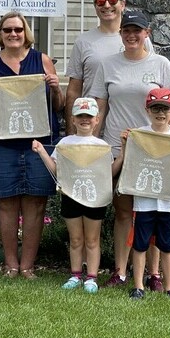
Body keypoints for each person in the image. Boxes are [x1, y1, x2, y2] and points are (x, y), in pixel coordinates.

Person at [91, 10, 170, 288]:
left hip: (155, 149)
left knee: (153, 213)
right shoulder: (108, 65)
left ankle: (154, 274)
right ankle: (120, 271)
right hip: (119, 147)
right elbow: (100, 107)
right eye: (127, 30)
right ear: (121, 34)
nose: (132, 35)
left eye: (137, 30)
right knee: (123, 212)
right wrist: (93, 145)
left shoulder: (161, 64)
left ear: (147, 34)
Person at [0, 12, 64, 279]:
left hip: (39, 143)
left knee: (37, 204)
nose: (13, 34)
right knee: (6, 204)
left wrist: (56, 88)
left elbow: (57, 107)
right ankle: (10, 265)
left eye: (18, 30)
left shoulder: (43, 61)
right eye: (7, 30)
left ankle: (28, 266)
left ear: (26, 33)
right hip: (2, 143)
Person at [33, 97, 121, 291]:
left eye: (89, 116)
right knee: (75, 239)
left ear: (96, 119)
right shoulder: (65, 143)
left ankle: (91, 277)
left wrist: (124, 152)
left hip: (94, 199)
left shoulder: (101, 145)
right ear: (72, 119)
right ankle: (75, 275)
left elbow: (109, 172)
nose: (85, 120)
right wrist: (41, 151)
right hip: (71, 196)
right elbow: (57, 171)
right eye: (80, 116)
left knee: (92, 239)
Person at [116, 89, 170, 301]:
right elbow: (131, 164)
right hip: (143, 202)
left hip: (167, 202)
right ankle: (139, 286)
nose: (160, 113)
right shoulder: (140, 134)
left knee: (167, 246)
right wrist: (126, 144)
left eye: (165, 109)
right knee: (140, 244)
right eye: (156, 108)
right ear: (147, 111)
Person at [65, 0, 152, 134]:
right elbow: (74, 90)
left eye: (112, 0)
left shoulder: (139, 39)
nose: (106, 5)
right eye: (100, 1)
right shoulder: (83, 42)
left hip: (129, 123)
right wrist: (71, 131)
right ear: (95, 6)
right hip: (90, 124)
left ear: (122, 4)